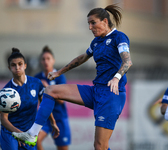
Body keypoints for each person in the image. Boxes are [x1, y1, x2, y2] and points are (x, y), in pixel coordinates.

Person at [12, 4, 132, 150]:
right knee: (50, 90)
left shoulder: (119, 37)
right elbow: (82, 58)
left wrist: (116, 77)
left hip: (112, 95)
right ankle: (32, 134)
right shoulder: (96, 42)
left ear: (105, 21)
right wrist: (59, 72)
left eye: (93, 23)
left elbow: (127, 61)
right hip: (96, 91)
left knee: (100, 146)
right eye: (88, 23)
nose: (90, 27)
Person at [0, 48, 60, 150]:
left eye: (20, 64)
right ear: (9, 68)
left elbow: (44, 105)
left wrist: (53, 122)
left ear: (25, 65)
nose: (17, 67)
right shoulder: (6, 92)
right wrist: (18, 134)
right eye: (13, 65)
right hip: (10, 133)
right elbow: (3, 119)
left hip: (29, 133)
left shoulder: (36, 83)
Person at [35, 46, 71, 150]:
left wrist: (48, 87)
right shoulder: (37, 77)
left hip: (59, 117)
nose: (46, 61)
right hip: (45, 118)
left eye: (48, 58)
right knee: (35, 141)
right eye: (43, 59)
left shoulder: (60, 77)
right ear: (41, 62)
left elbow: (61, 100)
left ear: (53, 60)